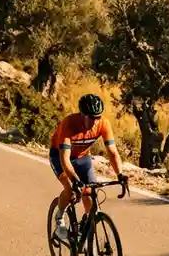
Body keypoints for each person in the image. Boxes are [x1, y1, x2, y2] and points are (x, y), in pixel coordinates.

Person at [49, 93, 125, 241]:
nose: (95, 121)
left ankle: (89, 244)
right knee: (71, 189)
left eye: (98, 117)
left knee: (90, 193)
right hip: (60, 157)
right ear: (82, 114)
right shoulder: (69, 124)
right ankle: (59, 218)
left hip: (83, 158)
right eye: (91, 117)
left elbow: (113, 152)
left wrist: (120, 175)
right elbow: (65, 159)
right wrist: (75, 180)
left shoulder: (103, 124)